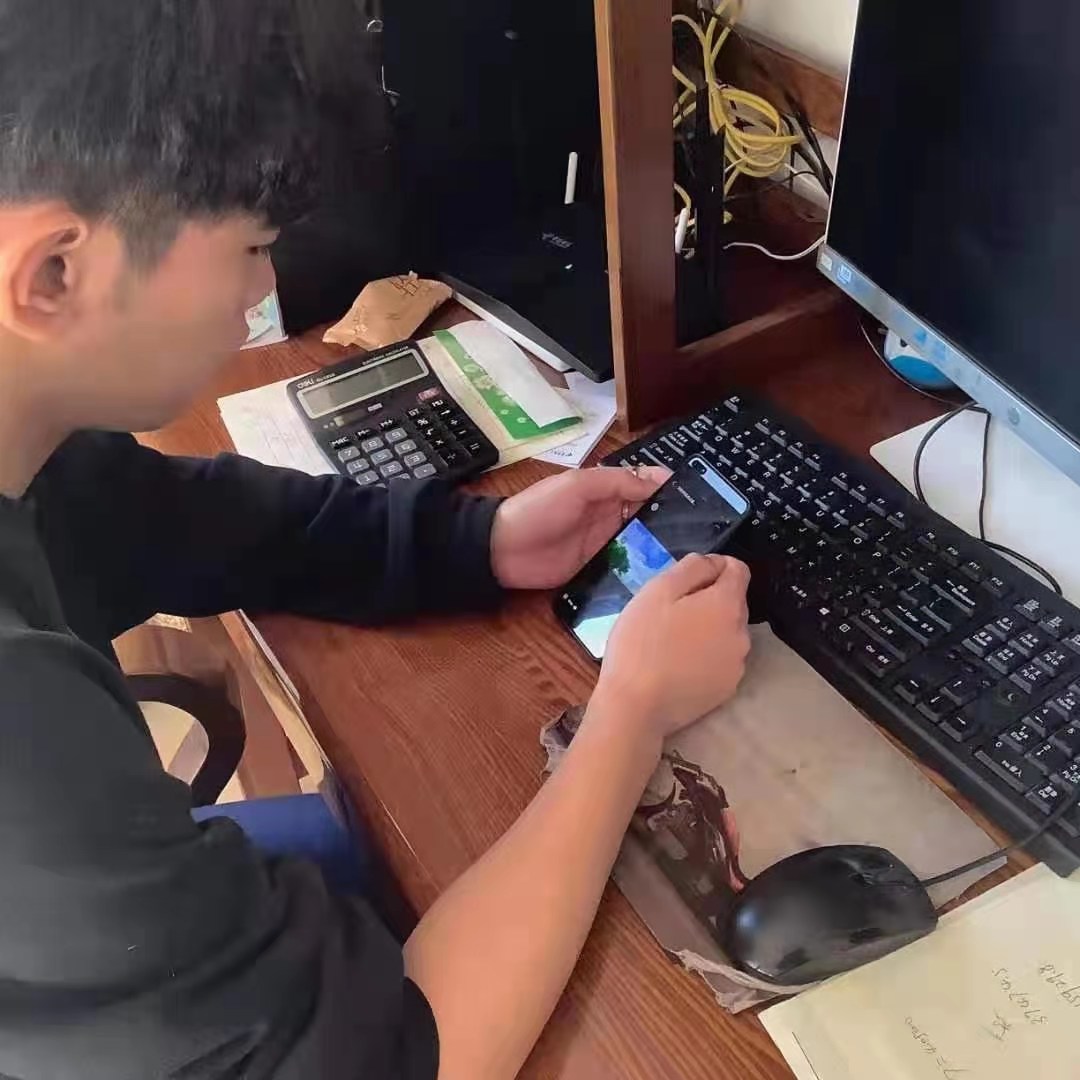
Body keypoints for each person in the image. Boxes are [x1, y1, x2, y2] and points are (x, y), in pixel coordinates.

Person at [0, 2, 752, 1078]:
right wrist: (629, 714)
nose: (262, 291)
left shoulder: (29, 441)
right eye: (252, 248)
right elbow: (404, 1061)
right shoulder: (22, 728)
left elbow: (174, 518)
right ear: (52, 275)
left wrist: (476, 541)